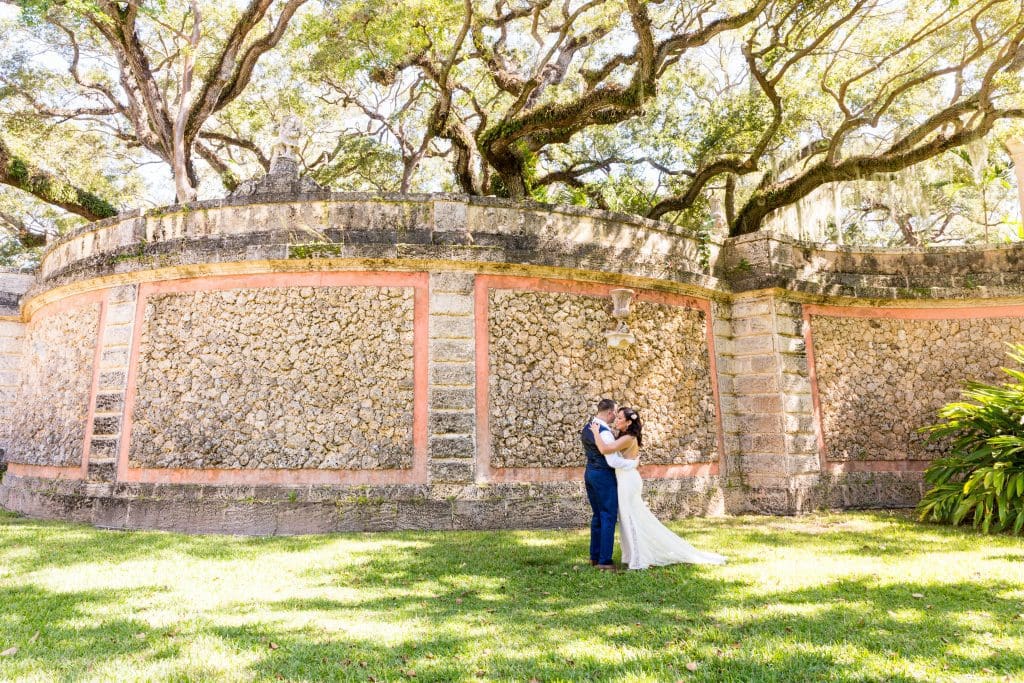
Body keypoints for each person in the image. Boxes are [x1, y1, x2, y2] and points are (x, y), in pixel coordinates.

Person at [590, 407, 726, 569]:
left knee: (631, 518)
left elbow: (605, 449)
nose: (616, 420)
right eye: (617, 417)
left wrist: (596, 432)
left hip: (628, 481)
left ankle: (638, 559)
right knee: (627, 518)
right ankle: (632, 555)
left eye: (620, 418)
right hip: (625, 478)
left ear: (628, 423)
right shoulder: (624, 436)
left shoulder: (628, 437)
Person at [582, 398, 638, 571]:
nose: (615, 416)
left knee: (598, 515)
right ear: (609, 413)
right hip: (603, 476)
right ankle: (605, 560)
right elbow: (612, 461)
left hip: (590, 473)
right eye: (615, 413)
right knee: (608, 516)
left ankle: (594, 556)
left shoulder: (588, 427)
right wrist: (632, 464)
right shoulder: (604, 433)